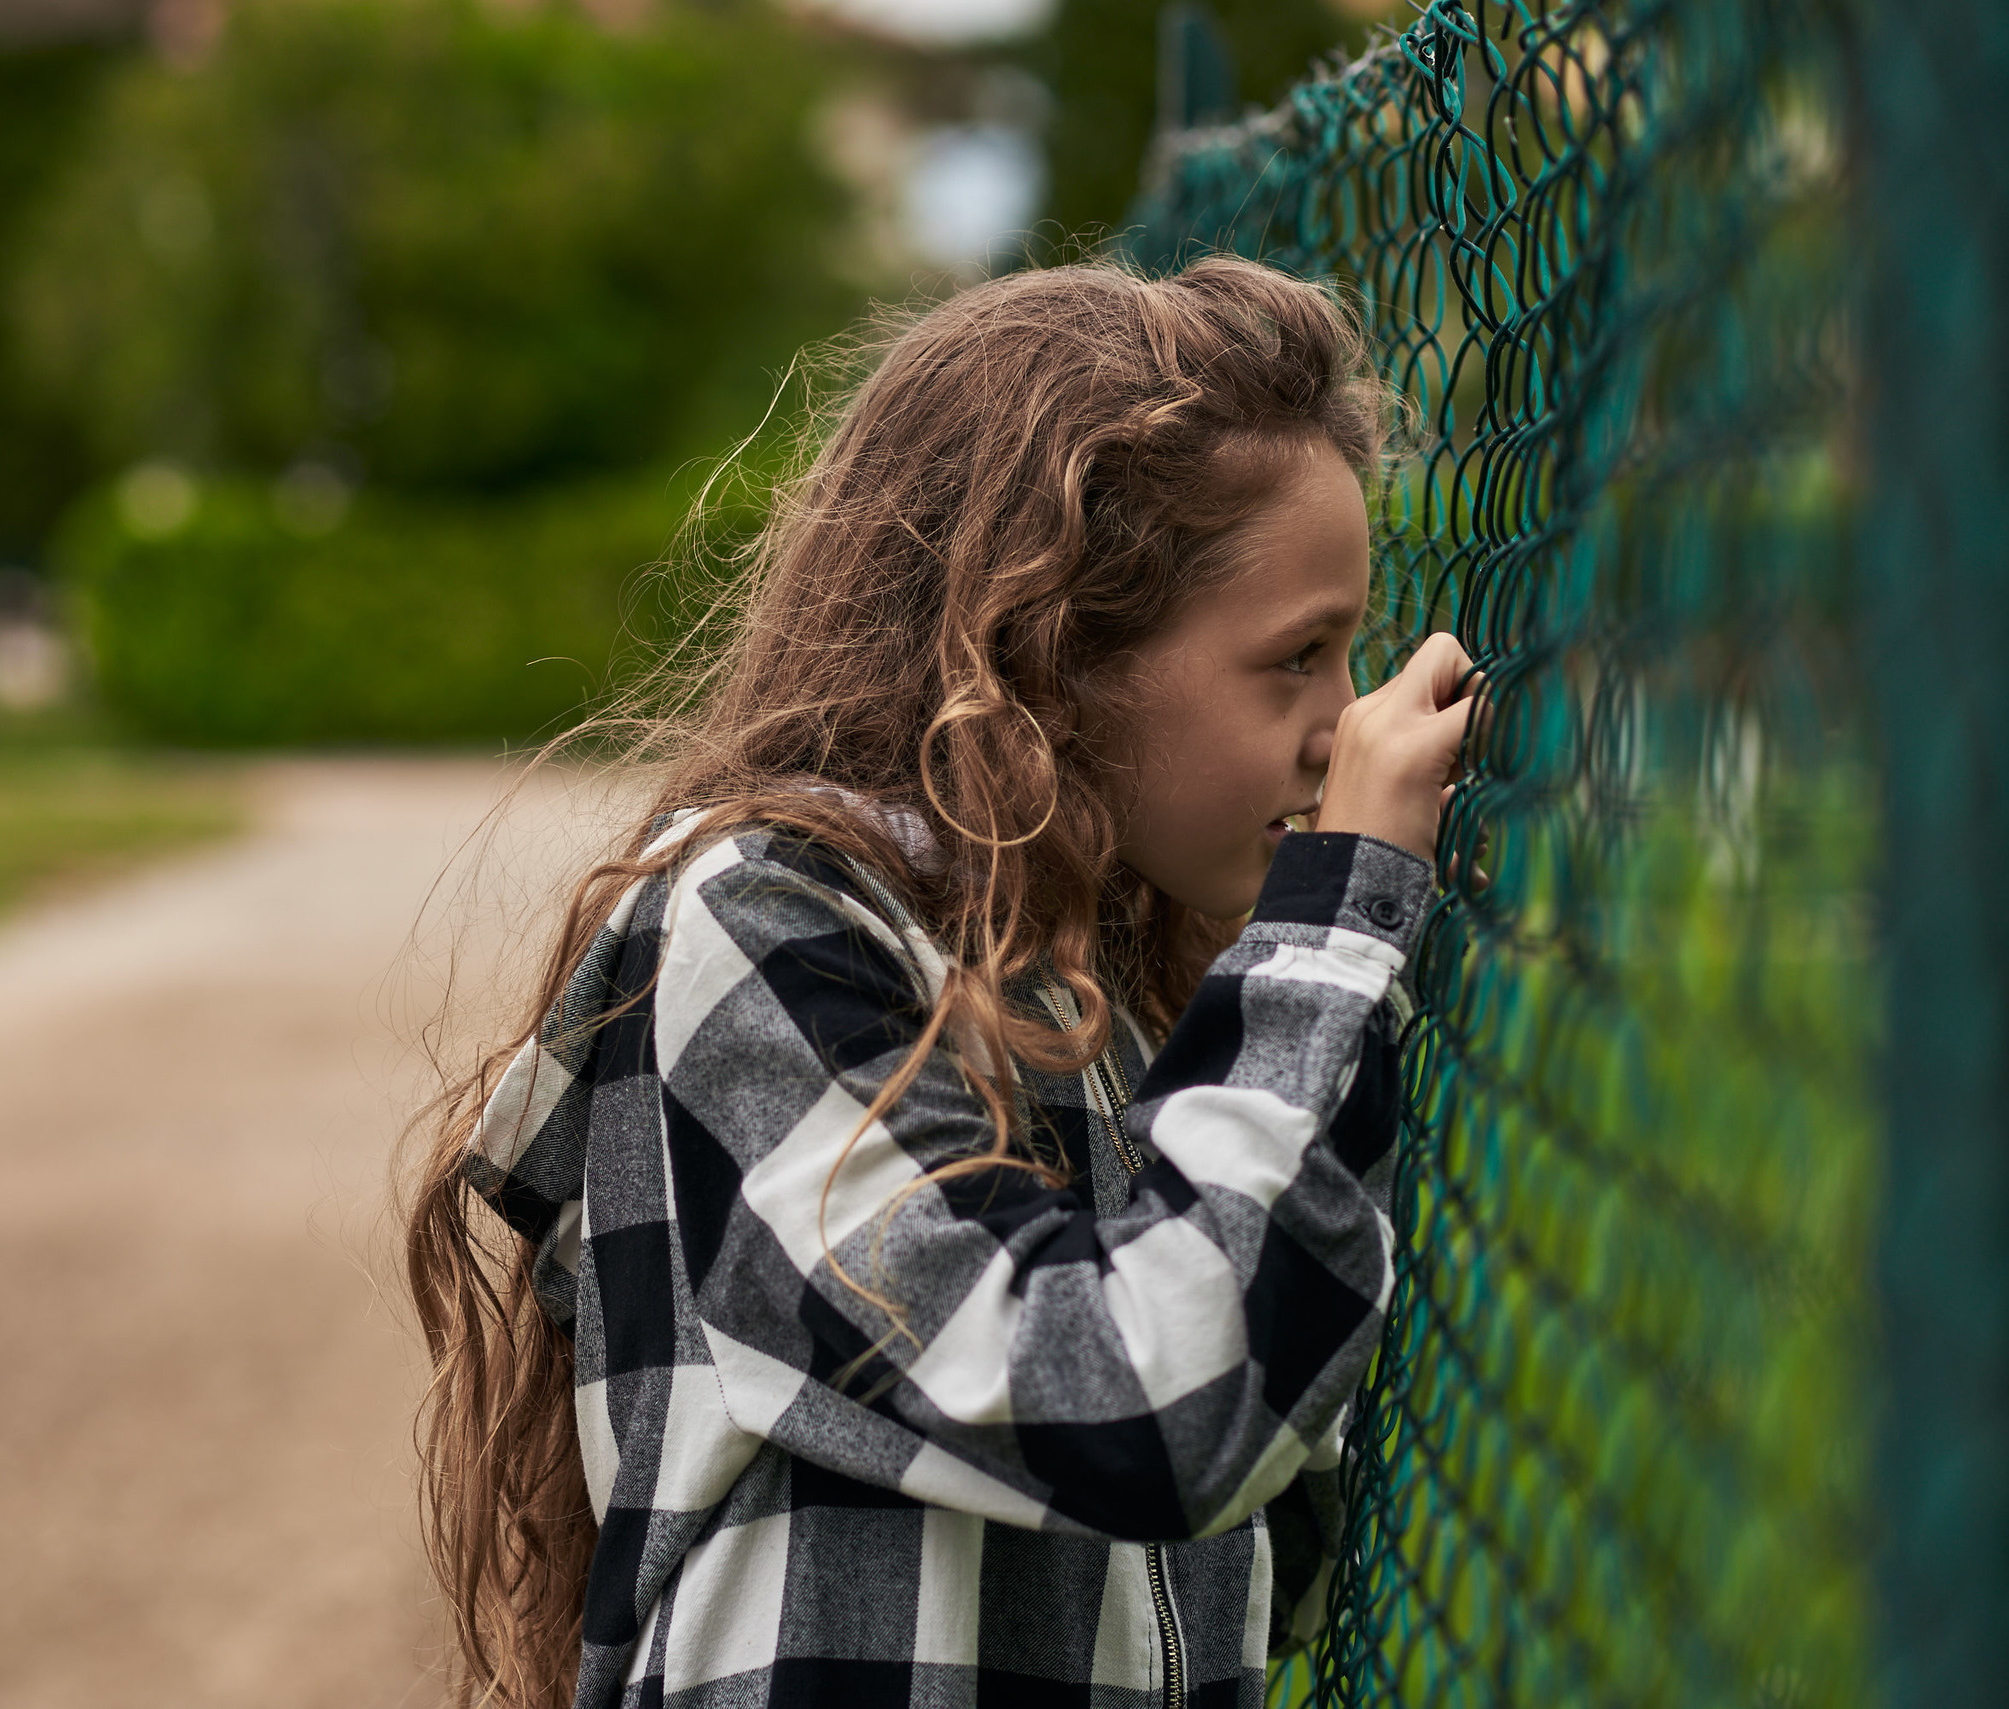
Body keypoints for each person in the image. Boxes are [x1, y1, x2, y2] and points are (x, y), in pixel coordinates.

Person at [400, 255, 1480, 1709]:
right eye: (1297, 658)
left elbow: (1265, 1539)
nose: (1343, 726)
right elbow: (1150, 1413)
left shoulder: (1110, 977)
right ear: (1054, 651)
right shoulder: (760, 927)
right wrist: (1340, 916)